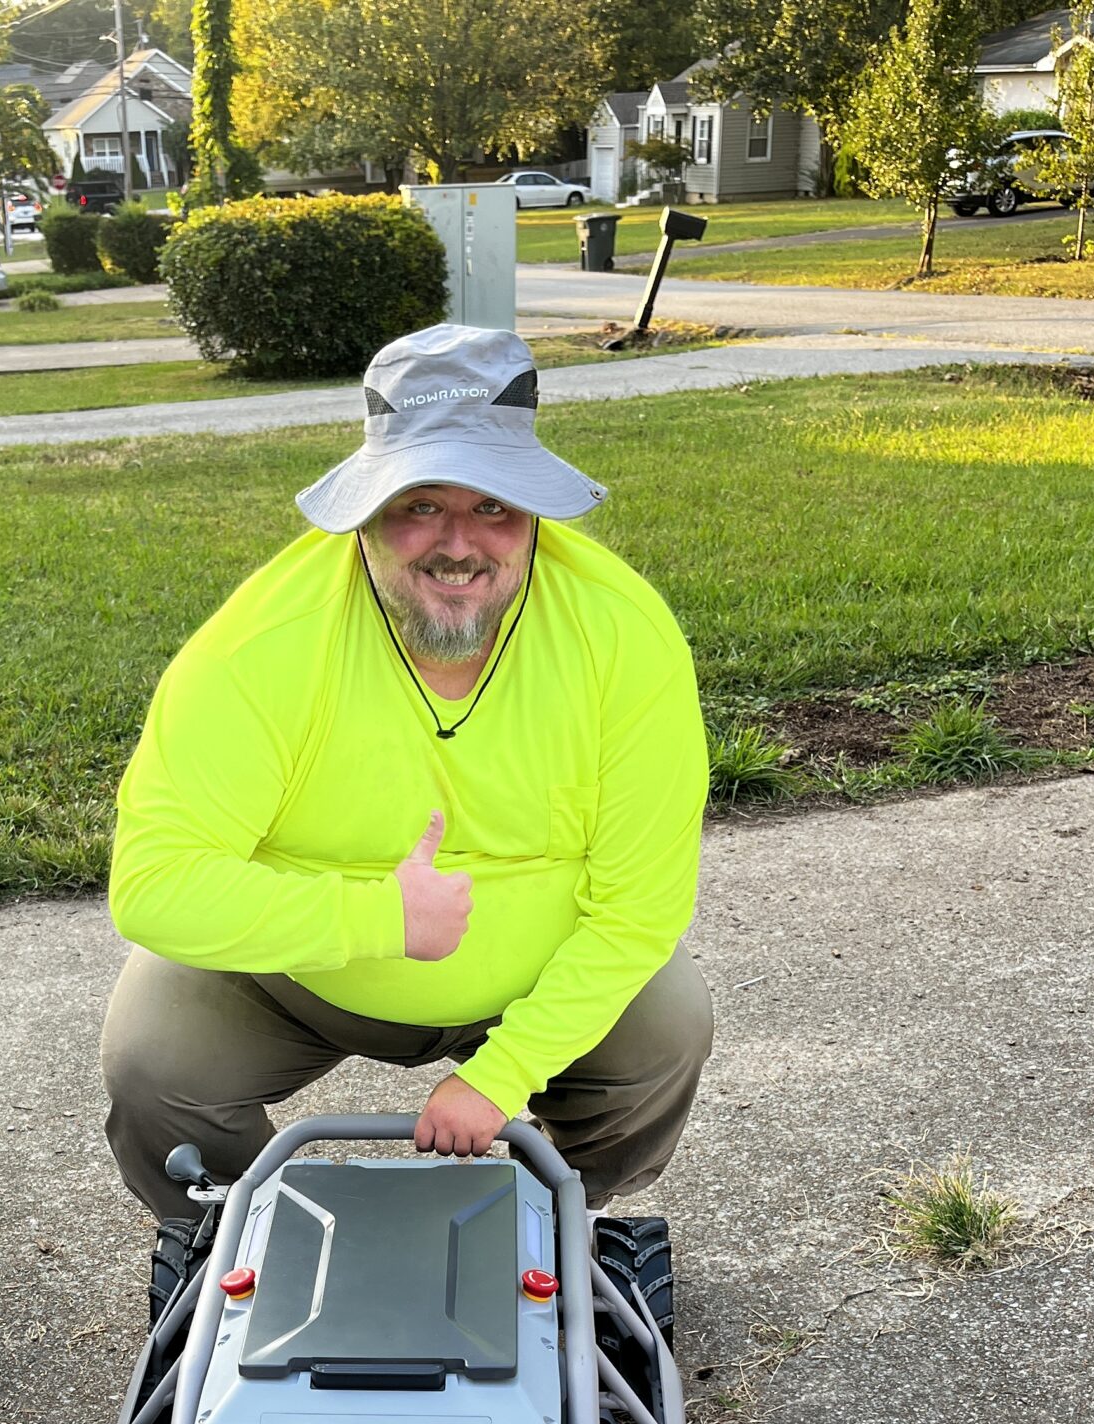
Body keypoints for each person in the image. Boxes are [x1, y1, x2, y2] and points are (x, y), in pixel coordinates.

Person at [100, 323, 712, 1230]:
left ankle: (565, 1221)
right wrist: (381, 918)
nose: (459, 545)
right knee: (156, 1069)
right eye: (420, 503)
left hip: (535, 976)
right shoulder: (261, 647)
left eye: (496, 506)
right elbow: (152, 888)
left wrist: (499, 1077)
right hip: (300, 978)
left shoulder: (623, 634)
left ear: (533, 512)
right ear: (367, 512)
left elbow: (641, 909)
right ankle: (225, 1239)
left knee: (667, 1031)